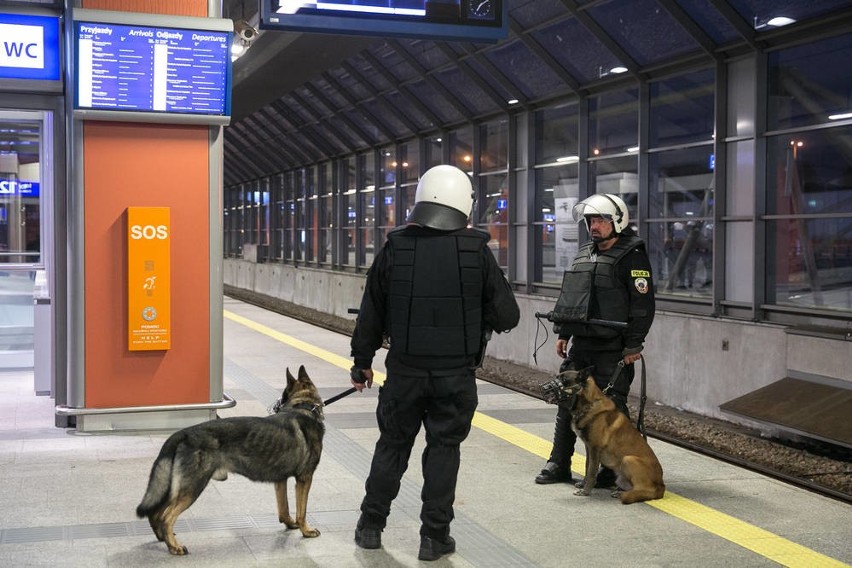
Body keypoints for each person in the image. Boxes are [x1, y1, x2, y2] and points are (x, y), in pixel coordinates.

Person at [349, 164, 520, 561]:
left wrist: (362, 363)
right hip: (455, 377)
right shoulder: (476, 250)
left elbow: (370, 314)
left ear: (421, 197)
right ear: (464, 202)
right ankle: (433, 538)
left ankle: (371, 527)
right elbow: (508, 316)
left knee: (392, 446)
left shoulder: (396, 246)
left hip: (404, 373)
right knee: (444, 450)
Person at [535, 193, 655, 488]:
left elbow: (643, 305)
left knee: (613, 410)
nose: (594, 226)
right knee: (567, 405)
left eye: (600, 219)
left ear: (617, 221)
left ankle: (608, 472)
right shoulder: (583, 254)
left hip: (614, 349)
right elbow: (573, 298)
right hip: (583, 345)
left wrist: (633, 345)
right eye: (590, 220)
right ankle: (558, 463)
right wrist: (564, 332)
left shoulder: (633, 257)